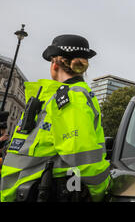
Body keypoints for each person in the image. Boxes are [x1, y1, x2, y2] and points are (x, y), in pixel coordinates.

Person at [0, 34, 111, 202]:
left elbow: (82, 157)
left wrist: (100, 191)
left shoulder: (72, 98)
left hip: (38, 192)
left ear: (55, 62)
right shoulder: (56, 97)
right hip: (28, 192)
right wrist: (102, 190)